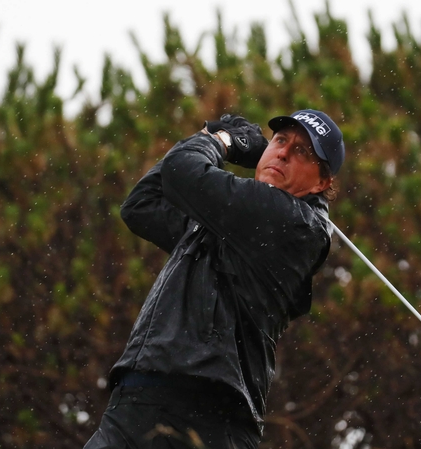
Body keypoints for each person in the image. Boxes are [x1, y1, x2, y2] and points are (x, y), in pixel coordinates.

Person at [84, 109, 345, 449]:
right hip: (136, 402)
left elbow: (182, 172)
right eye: (280, 141)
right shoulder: (232, 221)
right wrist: (224, 144)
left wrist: (221, 141)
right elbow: (142, 204)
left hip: (206, 414)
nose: (282, 152)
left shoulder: (292, 221)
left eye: (301, 152)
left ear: (322, 183)